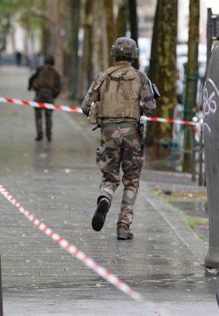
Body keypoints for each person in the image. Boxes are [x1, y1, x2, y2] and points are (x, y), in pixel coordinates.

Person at [81, 37, 156, 240]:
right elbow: (151, 107)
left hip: (108, 133)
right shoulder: (140, 77)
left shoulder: (102, 77)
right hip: (132, 134)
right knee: (131, 180)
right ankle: (123, 226)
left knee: (110, 177)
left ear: (114, 54)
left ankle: (105, 197)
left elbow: (85, 106)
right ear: (133, 55)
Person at [28, 55, 62, 142]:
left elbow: (31, 78)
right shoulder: (55, 73)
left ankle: (39, 135)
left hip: (39, 94)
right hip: (49, 95)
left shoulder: (39, 69)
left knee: (38, 116)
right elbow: (59, 86)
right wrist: (54, 95)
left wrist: (30, 87)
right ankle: (49, 135)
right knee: (48, 116)